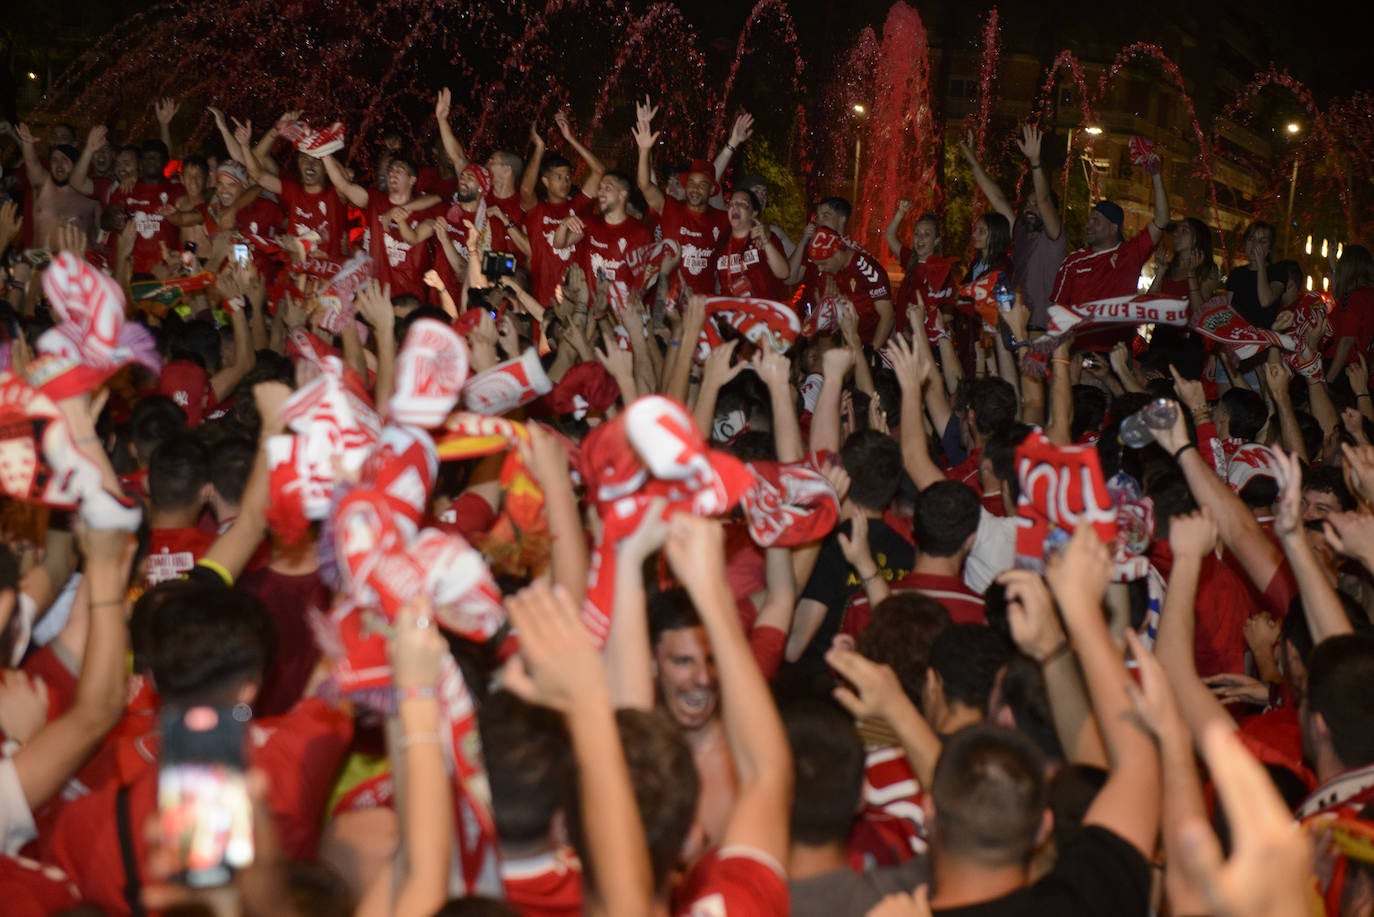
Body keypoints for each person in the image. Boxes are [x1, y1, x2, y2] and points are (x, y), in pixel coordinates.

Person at [1047, 162, 1169, 345]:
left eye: (1096, 220)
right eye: (1089, 220)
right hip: (1079, 352)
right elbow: (1058, 312)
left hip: (1116, 353)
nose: (1089, 225)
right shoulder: (1073, 261)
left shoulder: (1130, 254)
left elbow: (1161, 220)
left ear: (1113, 228)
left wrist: (1157, 176)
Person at [961, 125, 1068, 330]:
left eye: (1036, 205)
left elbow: (1044, 199)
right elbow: (997, 197)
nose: (1030, 207)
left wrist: (1035, 162)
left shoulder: (1055, 237)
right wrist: (972, 159)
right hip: (1016, 327)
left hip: (1043, 329)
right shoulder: (1020, 231)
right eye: (1028, 203)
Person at [323, 151, 440, 300]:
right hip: (375, 294)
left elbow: (413, 237)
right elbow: (343, 185)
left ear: (412, 180)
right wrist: (323, 153)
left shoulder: (425, 211)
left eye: (399, 170)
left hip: (409, 298)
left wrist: (400, 214)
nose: (392, 173)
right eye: (390, 170)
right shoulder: (375, 200)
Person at [519, 111, 606, 305]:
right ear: (545, 181)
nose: (565, 182)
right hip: (544, 298)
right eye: (558, 177)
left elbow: (599, 172)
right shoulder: (537, 210)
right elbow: (525, 189)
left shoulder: (578, 206)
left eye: (568, 177)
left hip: (576, 299)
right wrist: (539, 148)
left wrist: (571, 139)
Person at [552, 172, 653, 287]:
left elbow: (646, 277)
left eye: (607, 188)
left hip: (621, 303)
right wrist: (564, 223)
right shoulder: (590, 223)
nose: (600, 192)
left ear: (622, 194)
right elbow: (559, 244)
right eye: (600, 188)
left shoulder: (640, 232)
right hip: (591, 304)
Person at [13, 122, 101, 246]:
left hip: (73, 263)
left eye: (64, 160)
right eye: (54, 160)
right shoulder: (43, 186)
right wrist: (27, 145)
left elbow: (100, 239)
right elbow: (31, 163)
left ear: (76, 166)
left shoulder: (91, 197)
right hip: (37, 262)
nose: (59, 164)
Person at [807, 226, 895, 346]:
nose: (820, 269)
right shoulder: (825, 274)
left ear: (837, 253)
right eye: (817, 265)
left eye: (823, 263)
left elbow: (887, 316)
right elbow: (823, 318)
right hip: (841, 344)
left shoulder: (867, 269)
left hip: (870, 342)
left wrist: (871, 353)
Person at [713, 188, 789, 301]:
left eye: (742, 204)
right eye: (732, 203)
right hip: (732, 313)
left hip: (763, 313)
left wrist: (766, 243)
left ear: (753, 213)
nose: (735, 207)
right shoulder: (721, 242)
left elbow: (784, 273)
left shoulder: (765, 238)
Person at [1325, 244, 1374, 380]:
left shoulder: (1355, 297)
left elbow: (1347, 340)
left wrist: (1328, 380)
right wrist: (1333, 266)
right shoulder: (1368, 295)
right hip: (1359, 368)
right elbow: (1341, 300)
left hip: (1341, 368)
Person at [1226, 220, 1285, 331]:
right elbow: (1228, 308)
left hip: (1263, 341)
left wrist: (1261, 266)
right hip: (1238, 338)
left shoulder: (1278, 271)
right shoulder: (1236, 274)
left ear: (1269, 248)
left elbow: (1265, 300)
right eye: (1251, 239)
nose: (1255, 245)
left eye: (1262, 241)